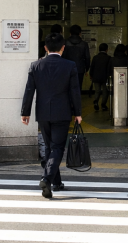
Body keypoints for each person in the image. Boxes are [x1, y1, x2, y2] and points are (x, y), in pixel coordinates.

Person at [21, 33, 82, 199]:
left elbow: (29, 90)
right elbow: (74, 91)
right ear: (63, 48)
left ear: (45, 48)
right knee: (57, 148)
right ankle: (47, 178)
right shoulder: (70, 65)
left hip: (42, 112)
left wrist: (25, 112)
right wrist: (78, 113)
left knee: (49, 147)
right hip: (62, 112)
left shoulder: (36, 65)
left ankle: (56, 182)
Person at [62, 25, 90, 93]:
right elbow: (87, 57)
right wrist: (87, 68)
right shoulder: (84, 44)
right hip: (80, 69)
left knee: (67, 87)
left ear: (70, 33)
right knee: (78, 87)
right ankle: (76, 102)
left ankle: (69, 102)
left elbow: (62, 56)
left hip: (67, 68)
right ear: (80, 33)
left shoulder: (65, 43)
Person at [89, 43, 112, 111]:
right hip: (105, 77)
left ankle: (96, 101)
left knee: (97, 91)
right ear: (106, 50)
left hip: (96, 77)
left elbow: (92, 67)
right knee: (105, 91)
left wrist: (91, 75)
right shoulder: (109, 58)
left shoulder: (95, 57)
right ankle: (103, 105)